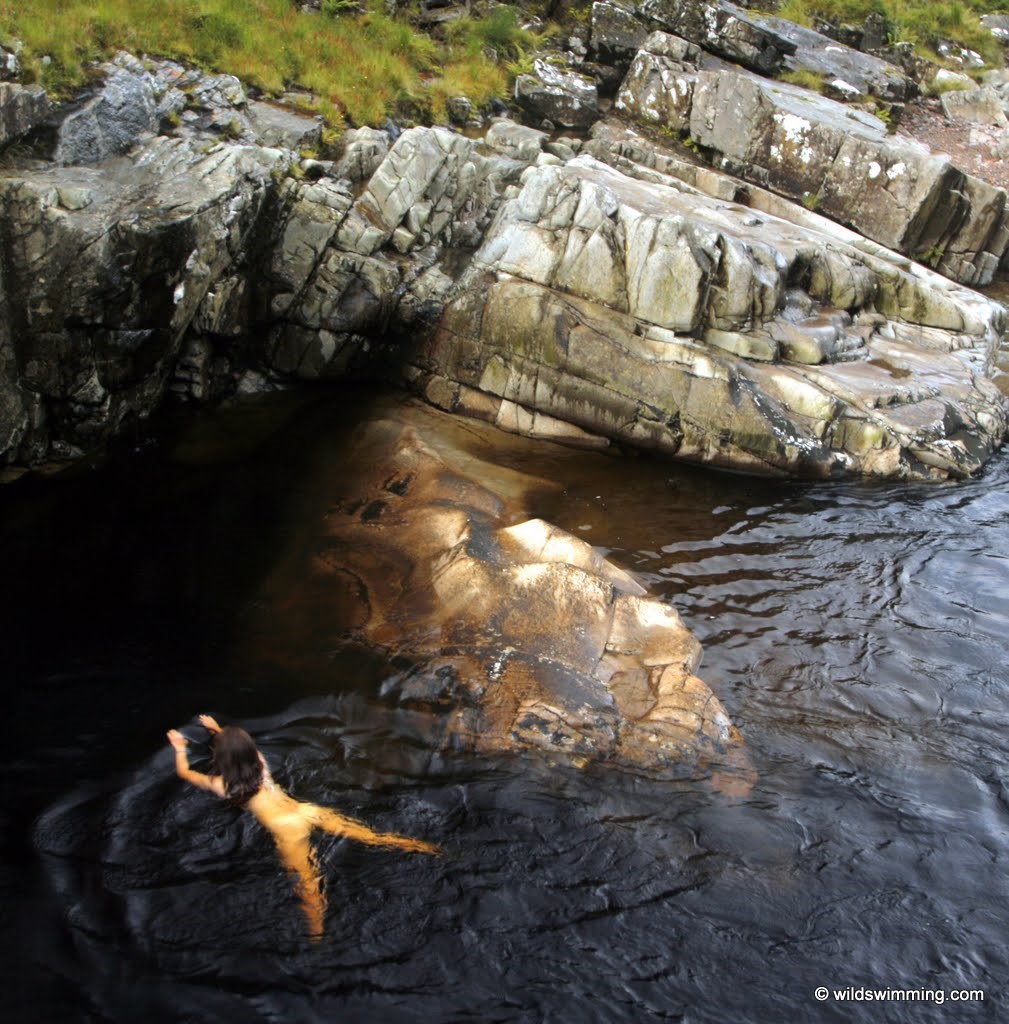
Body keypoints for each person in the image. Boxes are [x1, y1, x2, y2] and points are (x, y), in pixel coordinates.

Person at [167, 714, 438, 939]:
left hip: (287, 830)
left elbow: (184, 772)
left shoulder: (223, 786)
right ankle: (425, 848)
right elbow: (238, 748)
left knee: (308, 886)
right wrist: (216, 728)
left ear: (221, 759)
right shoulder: (259, 763)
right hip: (306, 811)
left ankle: (318, 935)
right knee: (374, 836)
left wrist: (180, 748)